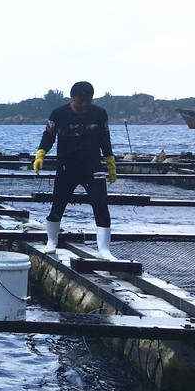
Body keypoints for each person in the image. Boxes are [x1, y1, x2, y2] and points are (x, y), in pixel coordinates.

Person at [33, 82, 118, 259]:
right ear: (72, 97)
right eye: (81, 101)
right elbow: (48, 136)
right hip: (67, 166)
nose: (84, 104)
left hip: (93, 166)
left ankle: (104, 249)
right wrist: (40, 154)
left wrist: (110, 161)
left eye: (88, 101)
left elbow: (105, 138)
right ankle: (51, 241)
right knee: (58, 203)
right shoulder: (59, 114)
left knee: (100, 204)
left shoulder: (99, 114)